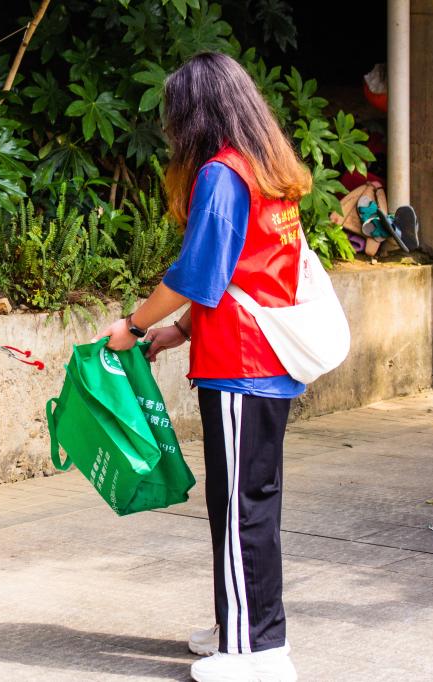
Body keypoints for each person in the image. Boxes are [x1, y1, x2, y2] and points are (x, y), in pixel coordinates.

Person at [93, 52, 309, 682]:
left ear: (197, 114)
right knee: (245, 499)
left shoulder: (221, 173)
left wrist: (134, 326)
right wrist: (179, 331)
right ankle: (235, 625)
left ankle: (257, 651)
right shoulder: (267, 169)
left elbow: (195, 274)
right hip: (262, 361)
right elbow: (248, 273)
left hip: (242, 365)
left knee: (241, 506)